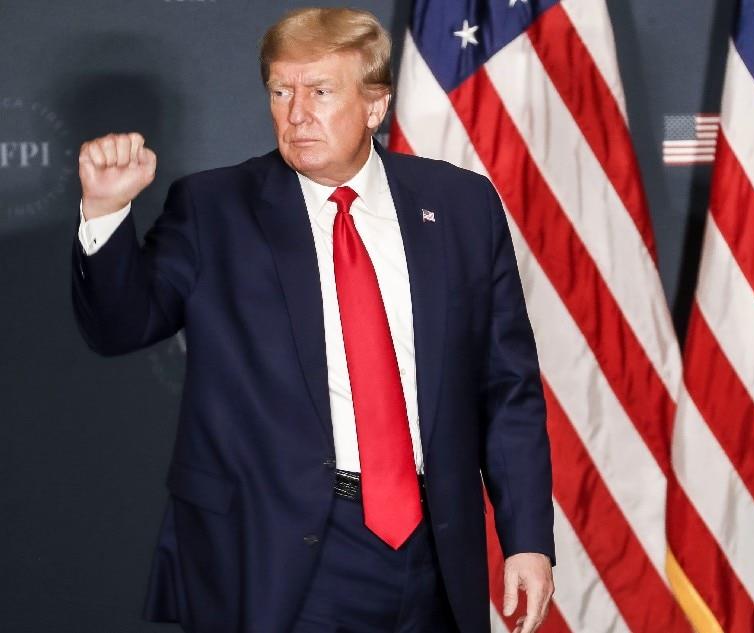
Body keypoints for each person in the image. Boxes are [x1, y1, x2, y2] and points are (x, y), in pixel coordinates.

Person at [71, 7, 555, 633]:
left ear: (375, 105)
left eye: (320, 91)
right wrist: (106, 213)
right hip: (283, 551)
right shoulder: (215, 208)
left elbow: (507, 387)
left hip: (434, 547)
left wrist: (528, 539)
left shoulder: (460, 205)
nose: (296, 113)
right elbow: (118, 327)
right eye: (280, 91)